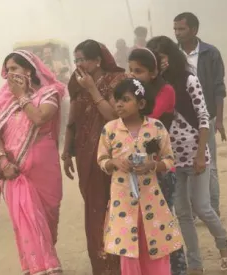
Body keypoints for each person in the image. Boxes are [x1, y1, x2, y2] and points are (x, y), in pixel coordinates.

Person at [147, 36, 227, 274]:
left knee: (202, 207)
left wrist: (199, 154)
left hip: (195, 153)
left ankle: (223, 244)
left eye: (161, 57)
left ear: (170, 56)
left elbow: (204, 118)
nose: (159, 62)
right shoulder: (154, 89)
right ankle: (195, 263)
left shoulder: (189, 80)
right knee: (183, 213)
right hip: (171, 158)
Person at [97, 78, 183, 275]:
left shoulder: (156, 127)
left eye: (125, 99)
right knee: (128, 249)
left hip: (151, 200)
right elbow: (101, 160)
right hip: (123, 202)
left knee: (156, 245)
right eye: (116, 99)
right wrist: (114, 162)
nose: (118, 104)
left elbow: (169, 160)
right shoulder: (110, 130)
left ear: (141, 104)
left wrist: (152, 165)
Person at [0, 50, 65, 275]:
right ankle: (43, 268)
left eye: (14, 68)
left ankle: (45, 258)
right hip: (15, 171)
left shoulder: (49, 93)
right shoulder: (2, 101)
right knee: (27, 221)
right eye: (7, 70)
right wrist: (3, 163)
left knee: (48, 218)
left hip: (44, 167)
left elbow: (40, 117)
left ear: (29, 70)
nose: (9, 74)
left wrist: (22, 96)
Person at [61, 40, 126, 275]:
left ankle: (120, 265)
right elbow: (72, 119)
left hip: (111, 154)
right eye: (75, 59)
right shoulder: (75, 81)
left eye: (82, 59)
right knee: (94, 209)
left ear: (97, 60)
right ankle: (101, 266)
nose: (78, 64)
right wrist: (67, 152)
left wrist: (92, 88)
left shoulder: (116, 80)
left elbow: (112, 116)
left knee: (114, 208)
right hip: (85, 154)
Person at [128, 47, 187, 275]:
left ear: (153, 73)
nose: (133, 75)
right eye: (130, 70)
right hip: (138, 170)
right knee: (144, 225)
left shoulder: (165, 91)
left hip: (161, 168)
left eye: (139, 71)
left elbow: (148, 119)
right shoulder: (134, 96)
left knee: (163, 224)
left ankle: (177, 269)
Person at [174, 12, 226, 217]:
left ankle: (212, 208)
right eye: (175, 29)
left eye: (182, 29)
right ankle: (192, 210)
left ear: (194, 30)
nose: (178, 33)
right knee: (184, 165)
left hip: (206, 118)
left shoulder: (211, 54)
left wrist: (219, 119)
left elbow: (219, 88)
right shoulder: (173, 56)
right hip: (181, 122)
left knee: (208, 163)